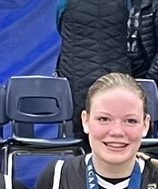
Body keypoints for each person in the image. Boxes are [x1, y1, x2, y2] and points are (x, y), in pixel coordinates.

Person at [55, 0, 134, 143]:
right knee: (116, 127)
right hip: (114, 72)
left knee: (81, 129)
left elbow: (61, 26)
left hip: (76, 71)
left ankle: (84, 163)